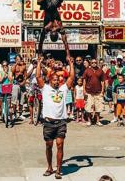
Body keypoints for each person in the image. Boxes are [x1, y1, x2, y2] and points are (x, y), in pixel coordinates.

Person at [19, 0, 88, 54]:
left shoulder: (54, 28)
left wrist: (67, 54)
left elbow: (63, 44)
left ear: (53, 34)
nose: (53, 31)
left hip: (50, 4)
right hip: (49, 4)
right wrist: (67, 55)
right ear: (52, 34)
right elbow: (62, 43)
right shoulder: (52, 28)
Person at [36, 34, 74, 179]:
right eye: (54, 79)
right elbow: (39, 77)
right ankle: (49, 167)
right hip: (48, 122)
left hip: (61, 122)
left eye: (58, 79)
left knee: (59, 145)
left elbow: (70, 78)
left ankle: (58, 170)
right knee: (49, 146)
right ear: (50, 80)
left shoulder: (64, 88)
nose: (57, 81)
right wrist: (39, 63)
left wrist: (70, 63)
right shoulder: (45, 88)